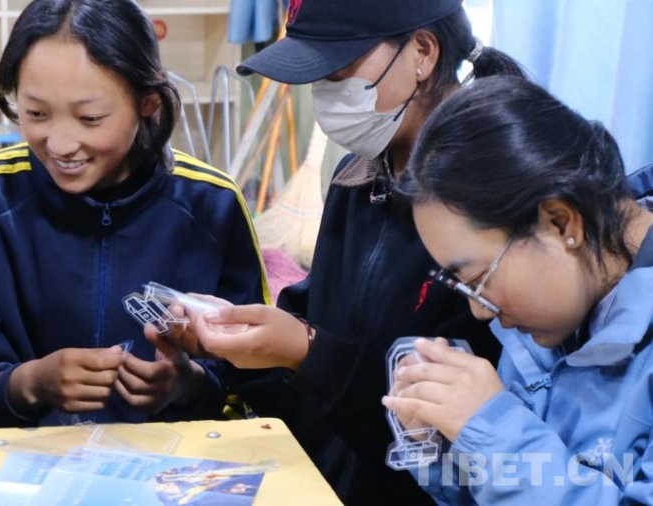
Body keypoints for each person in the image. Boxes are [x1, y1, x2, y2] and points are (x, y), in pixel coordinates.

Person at [168, 0, 526, 503]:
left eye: (338, 70)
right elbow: (317, 331)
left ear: (423, 52)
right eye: (317, 78)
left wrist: (307, 352)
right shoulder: (357, 178)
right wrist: (231, 345)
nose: (326, 93)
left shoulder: (491, 205)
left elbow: (439, 435)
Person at [0, 0, 268, 428]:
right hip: (12, 464)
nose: (61, 144)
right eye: (36, 113)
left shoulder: (212, 205)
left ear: (148, 102)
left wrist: (188, 385)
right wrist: (28, 384)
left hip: (175, 466)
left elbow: (255, 389)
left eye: (90, 118)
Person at [384, 75, 653, 503]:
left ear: (561, 223)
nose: (481, 312)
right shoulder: (550, 315)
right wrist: (445, 443)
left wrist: (491, 431)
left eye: (479, 281)